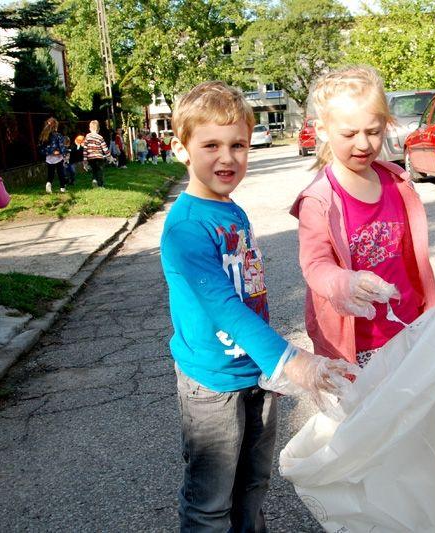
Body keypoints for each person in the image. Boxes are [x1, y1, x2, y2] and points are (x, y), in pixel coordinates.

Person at [162, 80, 357, 532]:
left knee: (252, 484)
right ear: (181, 149)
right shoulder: (186, 227)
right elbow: (225, 306)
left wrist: (274, 363)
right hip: (211, 382)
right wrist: (292, 361)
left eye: (238, 145)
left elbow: (250, 288)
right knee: (210, 500)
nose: (227, 157)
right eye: (211, 144)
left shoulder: (232, 211)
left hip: (257, 373)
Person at [292, 66, 435, 368]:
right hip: (358, 345)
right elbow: (315, 264)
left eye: (373, 131)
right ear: (322, 130)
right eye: (349, 134)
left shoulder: (396, 181)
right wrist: (344, 282)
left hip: (409, 328)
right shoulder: (319, 200)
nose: (363, 143)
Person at [39, 117, 67, 193]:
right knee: (60, 173)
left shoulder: (44, 136)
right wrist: (64, 153)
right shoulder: (58, 135)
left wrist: (50, 152)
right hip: (58, 157)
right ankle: (62, 188)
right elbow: (62, 146)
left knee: (50, 173)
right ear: (55, 126)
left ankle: (48, 183)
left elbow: (41, 148)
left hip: (49, 158)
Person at [83, 120, 112, 187]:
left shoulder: (87, 137)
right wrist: (109, 156)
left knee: (94, 170)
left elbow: (85, 149)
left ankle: (94, 180)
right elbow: (105, 148)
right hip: (99, 157)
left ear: (90, 128)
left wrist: (85, 160)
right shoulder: (100, 137)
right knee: (100, 171)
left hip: (90, 157)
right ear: (98, 129)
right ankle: (100, 185)